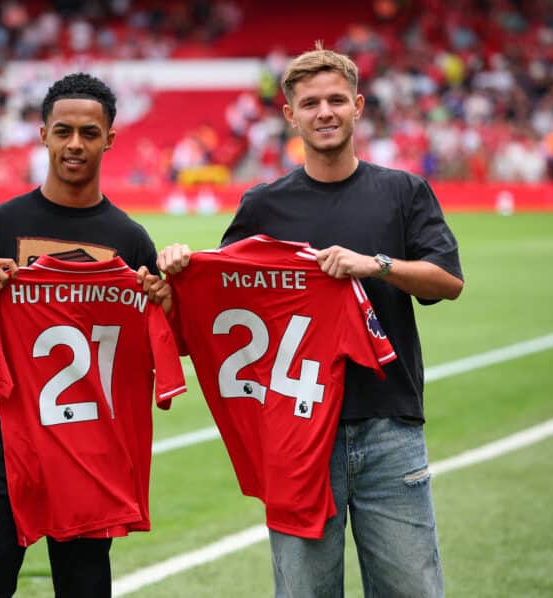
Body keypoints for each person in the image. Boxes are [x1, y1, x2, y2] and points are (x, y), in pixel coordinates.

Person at [158, 42, 464, 598]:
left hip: (389, 425)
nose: (325, 112)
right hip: (296, 433)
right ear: (290, 115)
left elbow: (448, 282)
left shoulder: (402, 191)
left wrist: (375, 265)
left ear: (358, 106)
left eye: (337, 100)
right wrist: (178, 273)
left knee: (413, 592)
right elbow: (222, 307)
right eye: (312, 103)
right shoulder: (263, 205)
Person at [0, 72, 169, 598]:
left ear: (110, 138)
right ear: (42, 135)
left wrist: (164, 302)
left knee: (84, 588)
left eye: (89, 132)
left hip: (87, 448)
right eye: (63, 131)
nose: (75, 144)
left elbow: (164, 336)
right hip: (3, 439)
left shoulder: (129, 239)